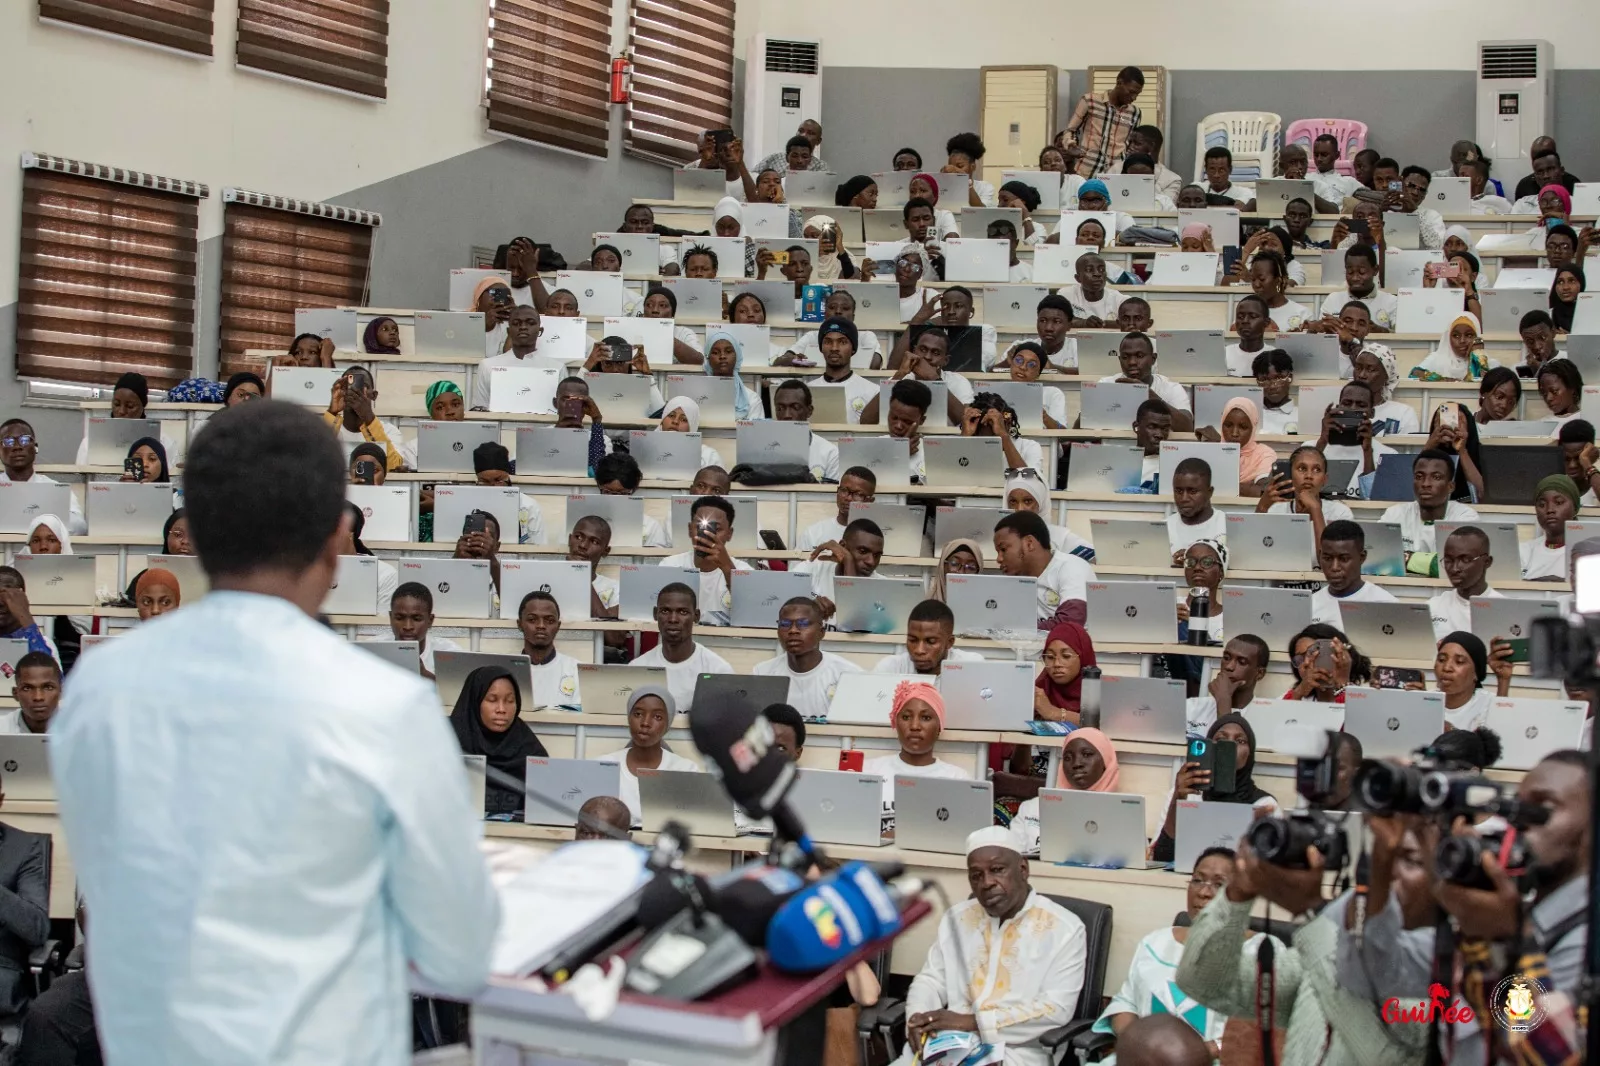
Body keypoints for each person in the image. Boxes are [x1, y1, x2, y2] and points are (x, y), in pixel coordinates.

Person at [53, 400, 497, 1060]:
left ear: (197, 533)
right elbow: (459, 957)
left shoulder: (96, 688)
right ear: (338, 537)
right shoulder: (384, 707)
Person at [1337, 750, 1589, 1066]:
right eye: (1516, 804)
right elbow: (1368, 972)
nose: (1519, 820)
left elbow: (1540, 1049)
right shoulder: (1511, 914)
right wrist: (1388, 852)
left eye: (1543, 807)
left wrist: (1503, 940)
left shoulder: (1583, 940)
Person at [900, 825, 1086, 1066]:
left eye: (997, 870)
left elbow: (1056, 1008)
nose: (986, 883)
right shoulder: (957, 918)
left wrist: (972, 1022)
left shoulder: (1064, 928)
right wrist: (918, 1018)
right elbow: (931, 980)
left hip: (1017, 1053)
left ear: (1023, 869)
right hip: (947, 1045)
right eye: (976, 875)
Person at [1093, 846, 1259, 1061]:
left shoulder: (1260, 952)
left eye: (1219, 884)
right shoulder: (1156, 942)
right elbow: (1126, 1003)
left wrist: (1200, 1052)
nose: (1204, 892)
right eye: (1198, 880)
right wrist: (1141, 1045)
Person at [1151, 714, 1276, 862]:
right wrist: (1178, 798)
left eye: (1240, 741)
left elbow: (1267, 867)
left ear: (1249, 754)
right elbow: (1161, 857)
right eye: (1221, 739)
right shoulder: (1188, 794)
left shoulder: (1264, 804)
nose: (1230, 746)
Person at [450, 663, 544, 819]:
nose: (501, 709)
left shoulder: (528, 746)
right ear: (475, 701)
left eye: (510, 700)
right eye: (492, 700)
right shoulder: (449, 743)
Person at [860, 681, 972, 808]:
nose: (914, 726)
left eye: (926, 718)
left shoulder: (958, 779)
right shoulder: (869, 771)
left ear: (939, 727)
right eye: (906, 717)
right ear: (896, 723)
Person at [598, 686, 699, 823]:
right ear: (628, 718)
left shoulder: (685, 770)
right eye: (638, 714)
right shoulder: (603, 766)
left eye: (657, 717)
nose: (645, 723)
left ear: (668, 724)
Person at [1008, 725, 1121, 848]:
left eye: (1087, 754)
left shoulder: (1122, 815)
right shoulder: (1034, 809)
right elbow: (1012, 853)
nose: (1076, 764)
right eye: (1067, 758)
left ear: (1106, 760)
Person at [752, 597, 861, 721]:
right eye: (785, 624)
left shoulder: (848, 675)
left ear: (821, 632)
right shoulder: (762, 673)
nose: (793, 630)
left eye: (803, 624)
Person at [630, 582, 732, 713]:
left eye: (683, 612)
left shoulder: (718, 670)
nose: (673, 619)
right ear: (655, 614)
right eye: (665, 611)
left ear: (696, 616)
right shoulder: (637, 668)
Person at [1380, 449, 1480, 575]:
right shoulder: (1394, 514)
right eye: (1419, 477)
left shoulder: (1465, 517)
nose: (1425, 484)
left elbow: (1458, 566)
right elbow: (1375, 556)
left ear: (1450, 487)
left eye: (1436, 477)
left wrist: (1405, 558)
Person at [658, 496, 751, 626]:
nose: (707, 534)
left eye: (716, 529)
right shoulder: (669, 566)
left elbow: (751, 613)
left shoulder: (744, 571)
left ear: (729, 534)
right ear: (690, 529)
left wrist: (727, 568)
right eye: (700, 527)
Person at [993, 512, 1092, 628]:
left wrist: (1019, 630)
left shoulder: (1071, 567)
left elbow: (1070, 623)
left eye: (1003, 549)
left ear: (1029, 544)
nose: (999, 559)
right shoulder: (1017, 580)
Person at [1256, 444, 1355, 551]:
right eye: (1302, 468)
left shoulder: (1340, 513)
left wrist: (1315, 509)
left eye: (1317, 470)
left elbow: (1327, 558)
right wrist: (1262, 507)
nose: (1309, 476)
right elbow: (1255, 550)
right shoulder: (1275, 511)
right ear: (1290, 475)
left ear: (1324, 479)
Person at [73, 371, 180, 465]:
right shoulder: (91, 442)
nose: (121, 411)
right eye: (116, 404)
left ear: (142, 407)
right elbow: (80, 477)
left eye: (130, 406)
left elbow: (170, 479)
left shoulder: (163, 443)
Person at [0, 420, 85, 534]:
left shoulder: (55, 489)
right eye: (8, 441)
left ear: (35, 447)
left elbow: (79, 526)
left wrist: (44, 522)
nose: (17, 447)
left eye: (24, 440)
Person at [1310, 520, 1398, 628]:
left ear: (1362, 557)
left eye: (1344, 559)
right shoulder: (1310, 606)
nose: (1334, 567)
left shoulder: (1386, 605)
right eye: (1327, 558)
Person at [322, 366, 412, 470]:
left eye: (362, 386)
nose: (354, 391)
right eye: (347, 386)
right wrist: (332, 412)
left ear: (374, 395)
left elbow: (393, 467)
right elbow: (313, 458)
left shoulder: (389, 431)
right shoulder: (328, 427)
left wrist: (368, 417)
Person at [1098, 332, 1192, 429]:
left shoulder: (1171, 387)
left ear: (1153, 359)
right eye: (1125, 357)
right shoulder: (1106, 385)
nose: (1132, 362)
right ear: (1119, 359)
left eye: (1139, 356)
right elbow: (1087, 421)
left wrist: (1151, 397)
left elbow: (1188, 427)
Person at [795, 518, 885, 617]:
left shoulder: (884, 587)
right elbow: (784, 605)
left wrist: (849, 564)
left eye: (877, 555)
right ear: (843, 546)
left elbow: (854, 619)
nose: (871, 561)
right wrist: (809, 608)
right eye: (863, 551)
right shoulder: (812, 569)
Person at [1184, 634, 1270, 736]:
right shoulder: (1191, 707)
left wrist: (1223, 701)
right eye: (1226, 658)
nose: (1229, 666)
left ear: (1259, 673)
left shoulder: (1266, 719)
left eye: (1242, 662)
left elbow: (1228, 744)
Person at [1427, 526, 1503, 639]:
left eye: (1465, 560)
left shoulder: (1503, 610)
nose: (1454, 568)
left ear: (1487, 562)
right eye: (1448, 560)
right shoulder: (1432, 607)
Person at [873, 599, 984, 676]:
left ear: (949, 643)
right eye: (912, 640)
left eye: (931, 642)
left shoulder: (972, 667)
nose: (919, 650)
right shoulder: (890, 669)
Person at [1431, 630, 1513, 730]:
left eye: (1459, 662)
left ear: (1476, 673)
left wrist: (1503, 680)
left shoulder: (1489, 704)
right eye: (1441, 660)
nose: (1446, 668)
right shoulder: (1427, 700)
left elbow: (1498, 733)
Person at [778, 290, 882, 368]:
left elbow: (875, 364)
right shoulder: (811, 336)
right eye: (832, 307)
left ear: (853, 316)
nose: (838, 311)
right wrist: (794, 359)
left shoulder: (866, 336)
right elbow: (780, 361)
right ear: (824, 313)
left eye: (845, 308)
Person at [1004, 476, 1094, 563]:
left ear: (1040, 504)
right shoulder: (1001, 537)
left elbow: (1096, 558)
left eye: (1027, 501)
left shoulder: (1059, 537)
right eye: (1013, 502)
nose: (1020, 509)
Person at [805, 317, 878, 423]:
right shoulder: (807, 391)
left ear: (853, 349)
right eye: (828, 342)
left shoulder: (872, 391)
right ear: (821, 348)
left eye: (842, 342)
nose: (834, 348)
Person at [515, 590, 580, 710]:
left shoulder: (576, 670)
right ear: (520, 624)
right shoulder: (506, 669)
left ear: (558, 626)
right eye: (532, 619)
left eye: (549, 621)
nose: (541, 626)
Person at [593, 453, 671, 550]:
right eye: (607, 492)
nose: (615, 499)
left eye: (622, 493)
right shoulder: (585, 523)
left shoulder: (650, 526)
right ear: (599, 485)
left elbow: (655, 557)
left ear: (633, 489)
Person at [768, 380, 842, 482]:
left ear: (809, 411)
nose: (786, 415)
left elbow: (832, 491)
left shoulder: (830, 453)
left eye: (795, 407)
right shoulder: (764, 449)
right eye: (780, 408)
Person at [387, 581, 459, 679]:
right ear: (391, 618)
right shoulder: (370, 650)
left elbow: (457, 688)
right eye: (400, 618)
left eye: (417, 619)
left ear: (430, 620)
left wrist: (425, 675)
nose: (408, 627)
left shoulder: (450, 653)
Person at [1285, 622, 1373, 701]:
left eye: (1312, 652)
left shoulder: (1363, 697)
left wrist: (1342, 684)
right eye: (1299, 658)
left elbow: (1351, 713)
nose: (1306, 662)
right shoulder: (1295, 697)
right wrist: (1298, 693)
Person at [1318, 245, 1397, 331]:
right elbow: (1320, 332)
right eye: (1350, 272)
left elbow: (1402, 335)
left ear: (1375, 270)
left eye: (1362, 272)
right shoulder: (1333, 300)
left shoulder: (1391, 302)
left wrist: (1381, 331)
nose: (1355, 278)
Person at [798, 466, 873, 552]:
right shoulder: (812, 534)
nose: (848, 498)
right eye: (844, 490)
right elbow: (796, 561)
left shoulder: (876, 539)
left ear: (870, 501)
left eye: (857, 494)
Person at [1165, 458, 1226, 560]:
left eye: (1192, 491)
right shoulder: (1164, 528)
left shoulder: (1226, 525)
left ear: (1210, 492)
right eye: (1179, 491)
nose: (1184, 498)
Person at [1524, 473, 1580, 579]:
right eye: (1542, 505)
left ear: (1575, 508)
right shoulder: (1524, 551)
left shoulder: (1588, 553)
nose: (1550, 509)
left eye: (1558, 502)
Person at [0, 568, 58, 662]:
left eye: (7, 596)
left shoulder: (45, 643)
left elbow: (44, 669)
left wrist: (25, 616)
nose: (1, 603)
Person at [1411, 311, 1488, 381]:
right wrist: (1444, 380)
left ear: (1477, 336)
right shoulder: (1437, 359)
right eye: (1456, 336)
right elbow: (1415, 374)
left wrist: (1478, 356)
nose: (1462, 340)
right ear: (1448, 338)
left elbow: (1485, 383)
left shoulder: (1490, 363)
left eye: (1469, 335)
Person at [2, 652, 60, 735]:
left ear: (61, 691)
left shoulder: (77, 730)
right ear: (15, 693)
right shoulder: (2, 729)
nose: (38, 697)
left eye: (48, 687)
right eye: (27, 688)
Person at [1249, 251, 1309, 330]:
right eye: (1253, 279)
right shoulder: (1246, 313)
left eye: (1262, 279)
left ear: (1279, 280)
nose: (1256, 285)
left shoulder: (1303, 314)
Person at [1513, 143, 1580, 202]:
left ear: (1562, 170)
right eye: (1540, 172)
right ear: (1534, 177)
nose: (1546, 176)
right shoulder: (1524, 200)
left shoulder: (1574, 187)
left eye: (1550, 169)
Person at [1252, 349, 1298, 433]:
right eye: (1265, 379)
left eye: (1278, 377)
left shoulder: (1301, 416)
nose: (1272, 386)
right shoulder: (1251, 415)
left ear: (1290, 378)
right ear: (1258, 382)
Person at [1225, 295, 1271, 377]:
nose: (1245, 321)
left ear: (1266, 322)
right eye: (1240, 317)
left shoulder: (1275, 357)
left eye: (1253, 316)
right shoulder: (1224, 355)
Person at [929, 539, 983, 604]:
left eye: (970, 567)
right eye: (955, 563)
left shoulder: (984, 603)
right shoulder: (927, 604)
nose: (961, 573)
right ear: (943, 566)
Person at [1550, 263, 1586, 334]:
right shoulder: (1549, 315)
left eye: (1572, 281)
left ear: (1581, 284)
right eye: (1560, 282)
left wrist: (1570, 337)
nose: (1565, 287)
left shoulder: (1592, 314)